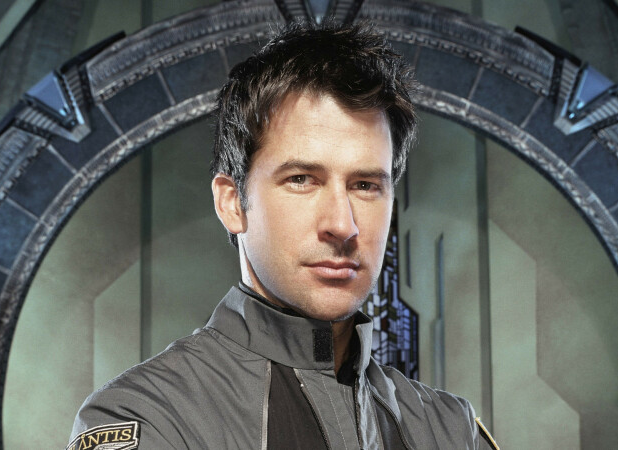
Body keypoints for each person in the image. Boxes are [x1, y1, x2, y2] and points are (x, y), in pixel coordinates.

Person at [68, 22, 498, 450]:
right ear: (232, 203)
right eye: (301, 179)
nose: (343, 225)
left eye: (365, 185)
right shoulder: (144, 416)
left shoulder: (450, 429)